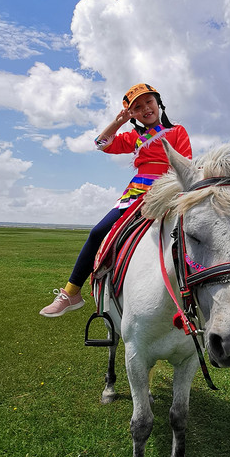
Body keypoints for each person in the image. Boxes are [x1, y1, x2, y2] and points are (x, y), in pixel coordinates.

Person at [39, 83, 192, 317]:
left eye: (148, 102)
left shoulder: (178, 131)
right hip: (135, 194)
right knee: (97, 232)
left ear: (158, 103)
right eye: (137, 108)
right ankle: (72, 293)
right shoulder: (134, 137)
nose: (145, 109)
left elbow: (185, 163)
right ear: (133, 114)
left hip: (168, 190)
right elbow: (101, 144)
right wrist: (118, 122)